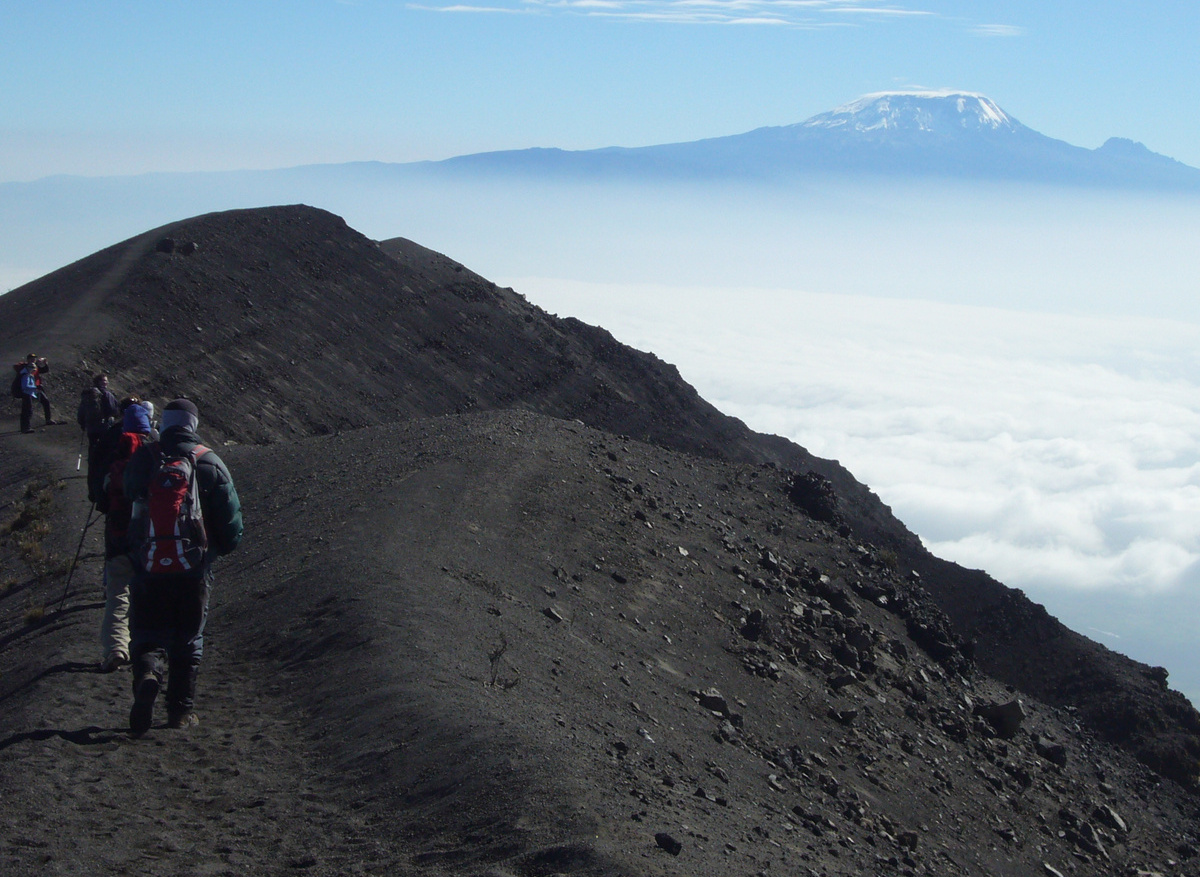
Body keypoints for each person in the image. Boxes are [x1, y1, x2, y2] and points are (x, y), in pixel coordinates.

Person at [123, 399, 242, 734]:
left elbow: (126, 495)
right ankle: (179, 712)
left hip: (147, 564)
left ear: (164, 422)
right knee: (188, 638)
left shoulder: (144, 459)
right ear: (192, 424)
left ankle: (148, 673)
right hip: (193, 567)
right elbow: (230, 519)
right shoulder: (209, 462)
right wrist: (221, 548)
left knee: (147, 630)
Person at [92, 400, 157, 672]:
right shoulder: (158, 455)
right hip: (151, 537)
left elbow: (103, 498)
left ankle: (116, 648)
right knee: (150, 591)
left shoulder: (116, 457)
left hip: (118, 534)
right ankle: (148, 647)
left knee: (118, 592)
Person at [14, 354, 53, 433]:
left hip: (36, 388)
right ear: (28, 359)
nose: (33, 360)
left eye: (34, 359)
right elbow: (16, 367)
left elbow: (44, 370)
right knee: (27, 409)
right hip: (27, 390)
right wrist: (26, 365)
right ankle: (25, 427)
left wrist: (45, 363)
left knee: (45, 401)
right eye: (31, 359)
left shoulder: (35, 366)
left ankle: (48, 419)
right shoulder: (24, 367)